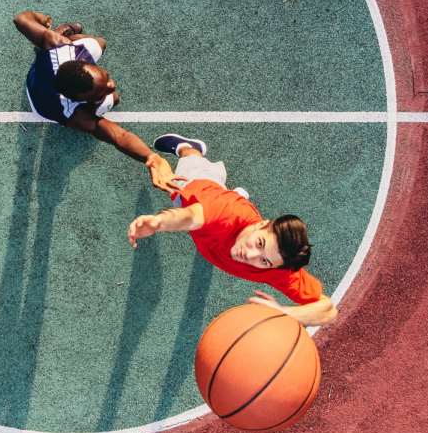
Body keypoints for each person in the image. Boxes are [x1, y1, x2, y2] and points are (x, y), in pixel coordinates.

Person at [126, 133, 338, 325]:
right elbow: (190, 217)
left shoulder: (277, 268)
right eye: (260, 243)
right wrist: (158, 223)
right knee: (179, 187)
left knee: (218, 205)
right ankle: (188, 146)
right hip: (202, 188)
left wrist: (285, 313)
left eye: (263, 260)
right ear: (262, 223)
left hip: (219, 227)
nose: (250, 255)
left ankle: (235, 193)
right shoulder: (227, 215)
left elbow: (328, 310)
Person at [14, 10, 175, 192]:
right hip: (41, 101)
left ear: (85, 64)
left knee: (98, 43)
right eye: (101, 90)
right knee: (113, 100)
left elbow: (21, 19)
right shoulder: (74, 113)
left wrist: (42, 21)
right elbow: (119, 136)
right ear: (78, 99)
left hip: (54, 62)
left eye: (105, 78)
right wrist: (150, 156)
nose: (111, 84)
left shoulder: (57, 44)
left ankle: (59, 33)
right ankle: (60, 40)